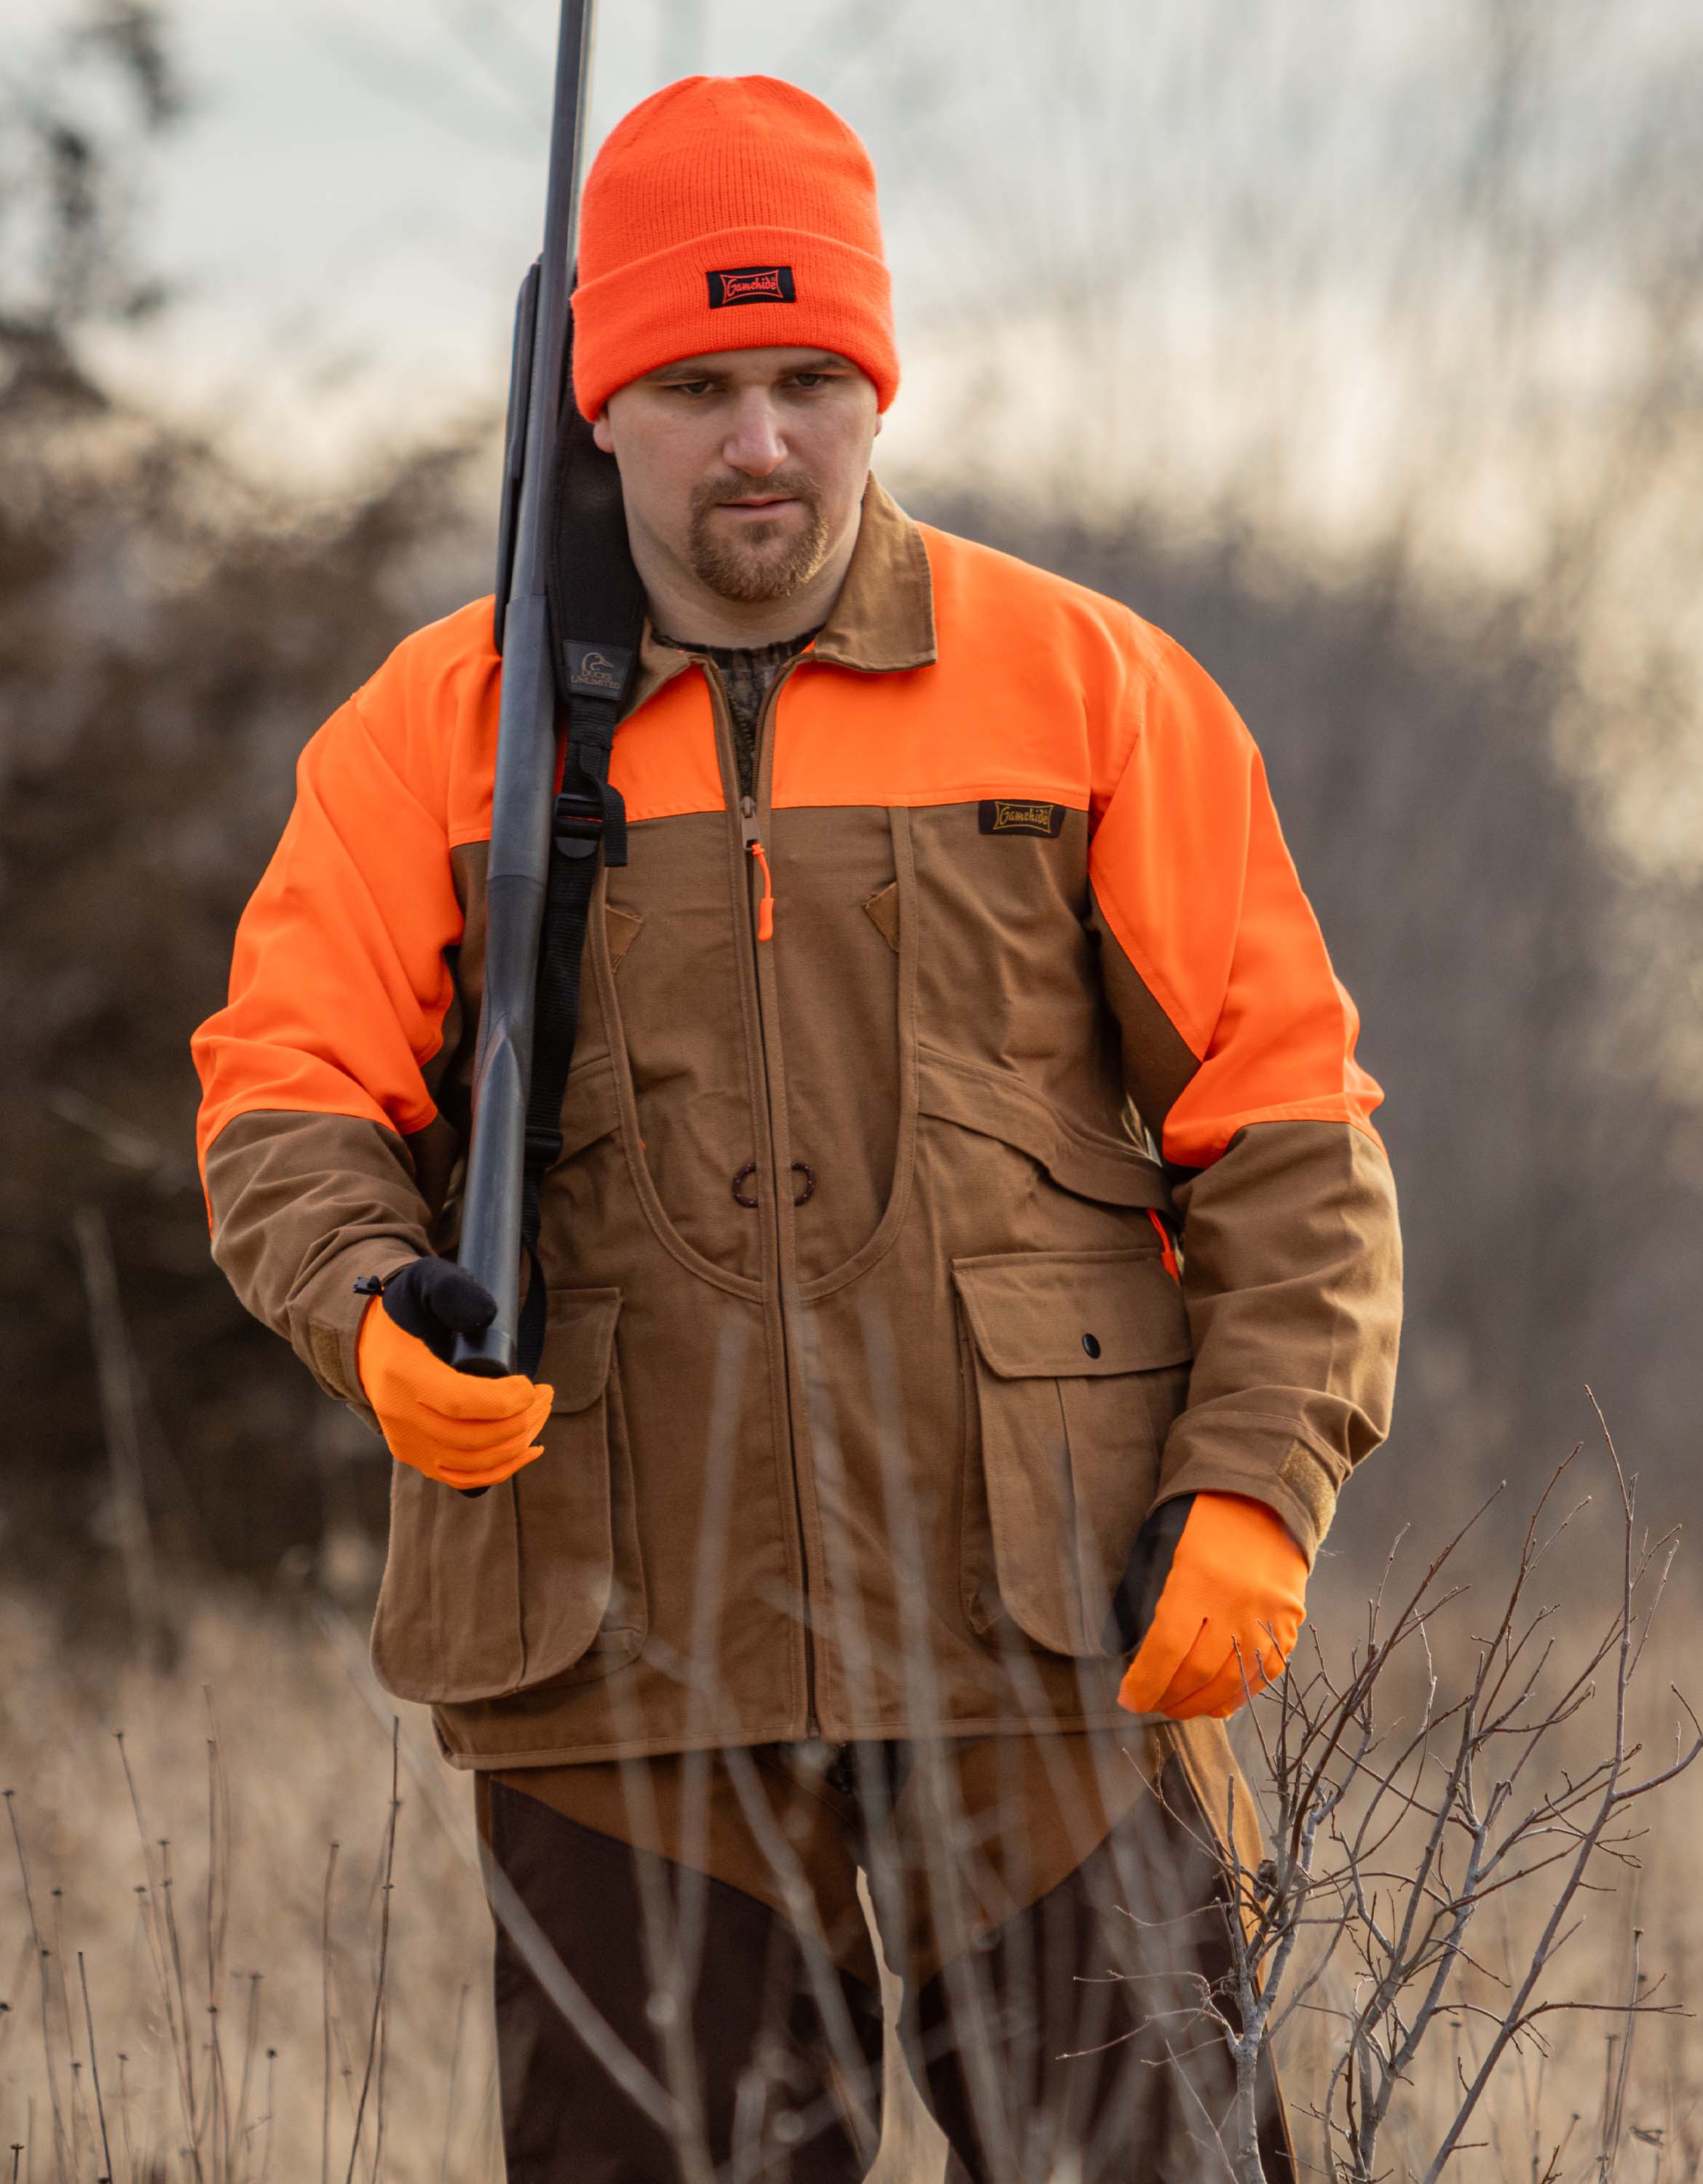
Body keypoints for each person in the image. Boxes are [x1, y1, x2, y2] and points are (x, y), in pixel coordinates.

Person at [192, 74, 1401, 2183]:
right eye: (699, 385)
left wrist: (1257, 1487)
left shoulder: (1093, 688)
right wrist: (378, 1310)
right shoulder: (439, 729)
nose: (763, 440)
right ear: (600, 410)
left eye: (811, 381)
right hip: (608, 1652)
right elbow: (288, 1098)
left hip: (1049, 1639)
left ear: (878, 389)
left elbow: (1288, 1122)